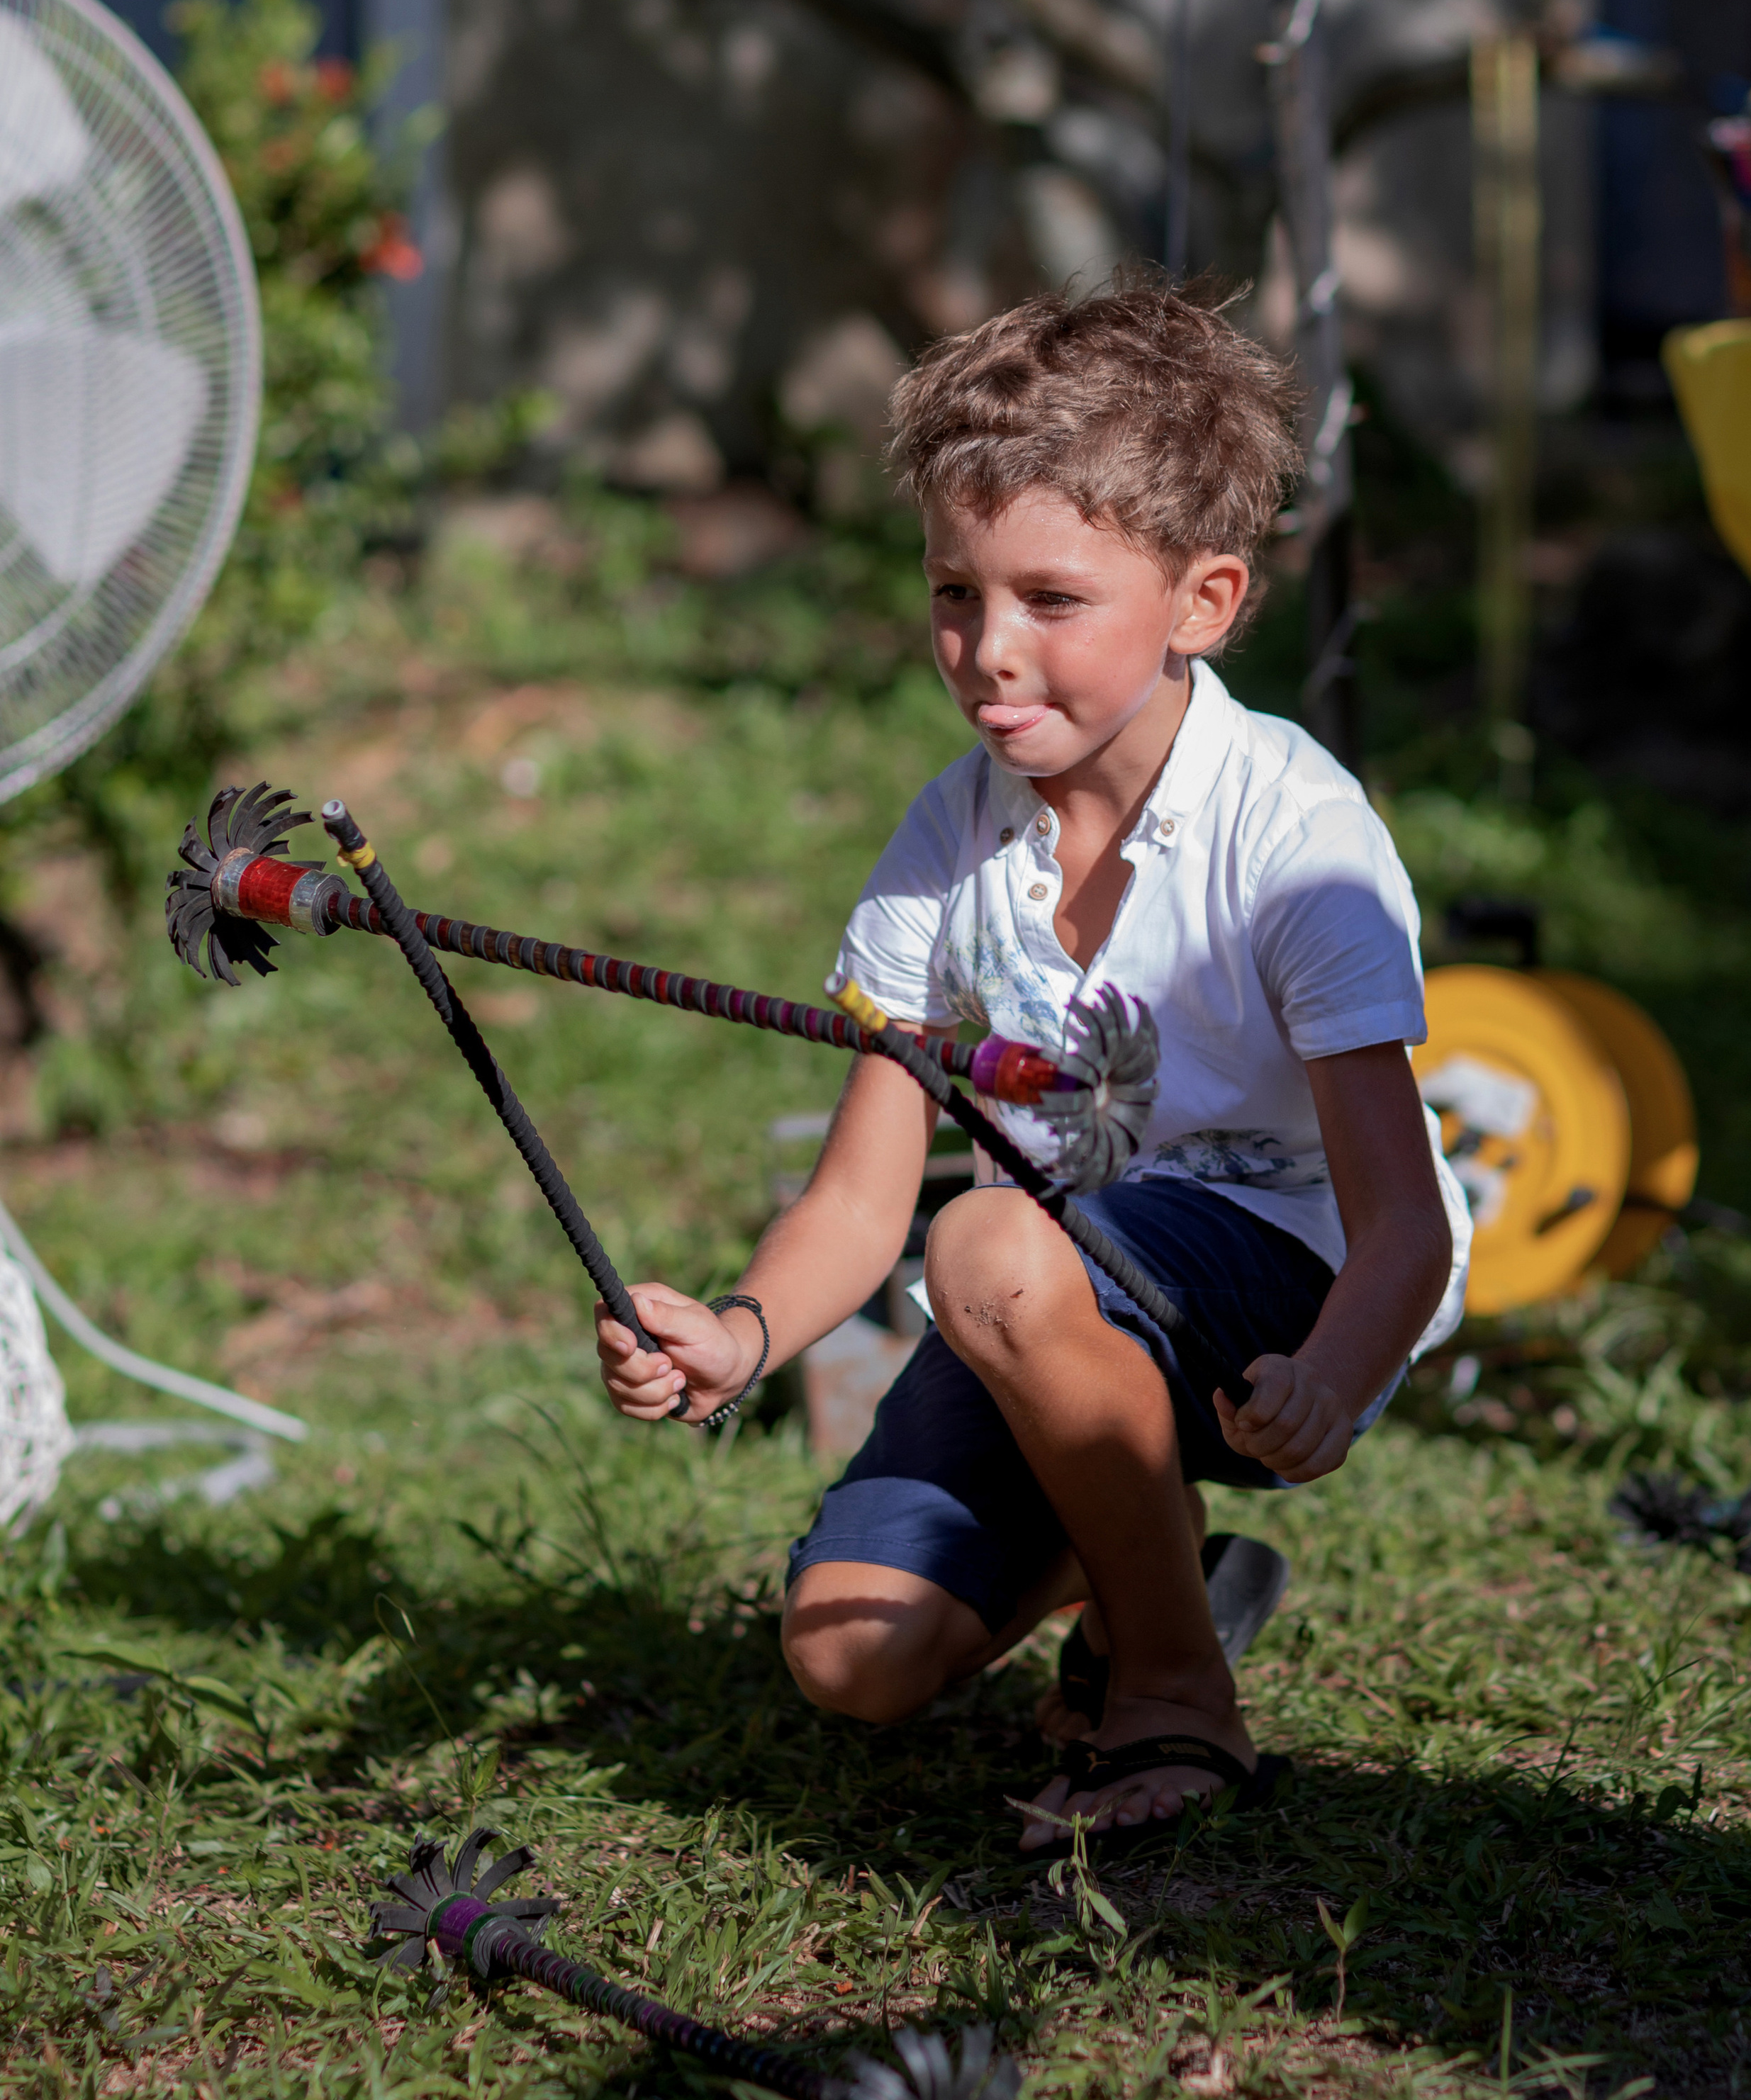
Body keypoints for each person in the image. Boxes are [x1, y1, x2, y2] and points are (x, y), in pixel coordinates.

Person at [595, 281, 1469, 1847]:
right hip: (1054, 1305)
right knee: (854, 1657)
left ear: (1202, 602)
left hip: (1288, 1290)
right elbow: (859, 1197)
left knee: (988, 1237)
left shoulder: (1298, 839)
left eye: (1050, 601)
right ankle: (1130, 1533)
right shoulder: (951, 837)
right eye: (952, 594)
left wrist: (1333, 1381)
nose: (986, 653)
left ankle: (1176, 1697)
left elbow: (1400, 1216)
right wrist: (740, 1336)